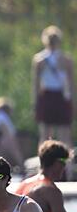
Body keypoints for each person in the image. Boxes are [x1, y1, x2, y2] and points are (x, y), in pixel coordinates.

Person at [15, 140, 77, 212]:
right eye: (64, 162)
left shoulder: (25, 183)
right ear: (57, 163)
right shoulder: (51, 190)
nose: (65, 167)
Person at [33, 25, 73, 154]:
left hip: (46, 97)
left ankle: (43, 166)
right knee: (65, 137)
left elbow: (36, 85)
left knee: (44, 136)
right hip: (61, 97)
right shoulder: (66, 59)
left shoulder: (39, 60)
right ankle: (68, 168)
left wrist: (36, 104)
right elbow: (72, 84)